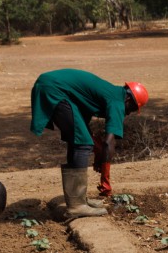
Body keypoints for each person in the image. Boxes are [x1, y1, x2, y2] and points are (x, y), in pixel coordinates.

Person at [30, 69, 148, 219]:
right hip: (54, 89)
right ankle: (77, 206)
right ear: (129, 100)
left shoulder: (106, 93)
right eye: (132, 109)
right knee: (82, 143)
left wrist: (98, 152)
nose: (128, 113)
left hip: (52, 86)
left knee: (79, 140)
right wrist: (105, 180)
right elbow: (108, 142)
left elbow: (84, 130)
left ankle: (79, 200)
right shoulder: (118, 101)